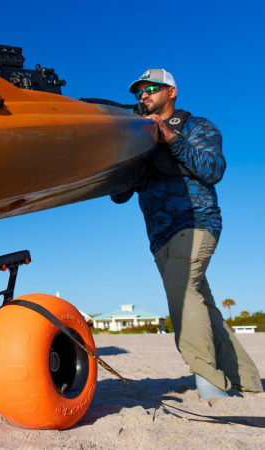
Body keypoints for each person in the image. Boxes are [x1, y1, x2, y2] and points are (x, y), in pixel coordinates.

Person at [112, 69, 263, 398]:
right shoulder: (140, 137)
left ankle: (211, 388)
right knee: (204, 307)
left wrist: (171, 138)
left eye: (151, 88)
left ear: (172, 92)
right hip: (159, 238)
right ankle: (249, 385)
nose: (143, 95)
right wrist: (120, 153)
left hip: (195, 222)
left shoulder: (197, 126)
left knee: (182, 294)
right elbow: (120, 194)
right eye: (140, 91)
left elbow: (214, 169)